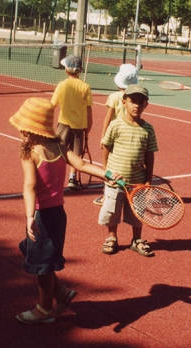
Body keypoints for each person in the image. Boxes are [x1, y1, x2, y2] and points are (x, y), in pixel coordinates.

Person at [10, 98, 121, 324]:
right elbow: (81, 165)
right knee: (35, 253)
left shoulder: (30, 151)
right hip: (58, 214)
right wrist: (108, 174)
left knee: (42, 267)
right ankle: (60, 292)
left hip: (41, 215)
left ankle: (45, 309)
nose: (20, 132)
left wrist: (30, 215)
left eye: (22, 128)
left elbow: (29, 186)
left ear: (29, 130)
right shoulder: (60, 147)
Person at [99, 85, 158, 257]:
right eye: (133, 101)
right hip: (115, 181)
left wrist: (148, 181)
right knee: (112, 211)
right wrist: (106, 172)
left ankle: (137, 240)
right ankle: (112, 237)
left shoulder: (148, 129)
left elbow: (150, 156)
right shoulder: (115, 125)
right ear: (124, 102)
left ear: (146, 104)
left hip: (137, 182)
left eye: (141, 102)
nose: (136, 106)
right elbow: (106, 147)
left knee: (137, 213)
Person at [93, 63, 139, 206]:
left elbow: (108, 118)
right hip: (127, 134)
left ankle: (107, 196)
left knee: (108, 166)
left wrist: (103, 136)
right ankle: (129, 194)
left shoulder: (114, 96)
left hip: (113, 135)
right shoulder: (133, 97)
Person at [51, 54, 93, 190]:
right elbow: (88, 109)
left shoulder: (61, 85)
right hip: (80, 126)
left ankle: (54, 178)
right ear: (80, 71)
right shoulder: (85, 86)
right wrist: (89, 125)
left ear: (66, 70)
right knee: (76, 154)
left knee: (58, 151)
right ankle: (72, 179)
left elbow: (52, 105)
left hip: (63, 124)